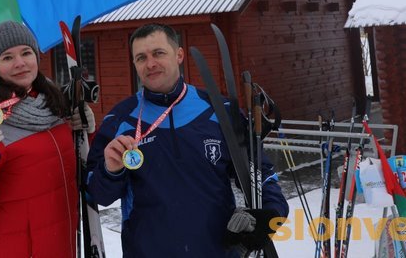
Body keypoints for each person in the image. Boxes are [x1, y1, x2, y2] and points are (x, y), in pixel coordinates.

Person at [86, 23, 289, 257]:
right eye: (141, 58)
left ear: (179, 55)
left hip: (218, 251)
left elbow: (261, 172)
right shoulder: (119, 120)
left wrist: (270, 214)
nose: (150, 64)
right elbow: (97, 194)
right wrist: (111, 171)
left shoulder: (219, 110)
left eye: (158, 53)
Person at [0, 20, 91, 258]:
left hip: (62, 245)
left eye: (26, 53)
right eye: (7, 57)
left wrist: (86, 132)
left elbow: (80, 171)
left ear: (36, 57)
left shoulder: (55, 106)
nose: (20, 63)